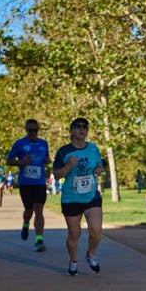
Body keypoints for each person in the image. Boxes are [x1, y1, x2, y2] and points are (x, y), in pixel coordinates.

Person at [52, 117, 104, 276]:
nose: (82, 129)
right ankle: (73, 261)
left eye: (85, 127)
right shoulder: (64, 152)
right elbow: (56, 174)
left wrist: (99, 169)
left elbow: (99, 165)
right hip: (71, 198)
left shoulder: (93, 148)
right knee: (75, 235)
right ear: (72, 131)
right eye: (78, 126)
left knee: (96, 230)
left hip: (91, 196)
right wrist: (68, 166)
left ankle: (90, 254)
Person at [6, 119, 51, 252]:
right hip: (25, 183)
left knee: (39, 210)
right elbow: (8, 160)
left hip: (39, 182)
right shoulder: (19, 144)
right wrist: (21, 162)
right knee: (29, 211)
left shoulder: (43, 143)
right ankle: (26, 224)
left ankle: (39, 240)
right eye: (30, 130)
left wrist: (48, 161)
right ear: (26, 130)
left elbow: (46, 158)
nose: (33, 133)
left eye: (35, 130)